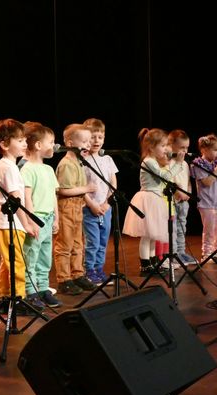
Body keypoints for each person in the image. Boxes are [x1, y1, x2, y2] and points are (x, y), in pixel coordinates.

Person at [0, 119, 39, 313]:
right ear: (4, 144)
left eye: (24, 140)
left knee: (8, 262)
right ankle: (18, 298)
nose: (25, 144)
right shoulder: (8, 167)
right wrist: (27, 223)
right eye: (20, 141)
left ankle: (4, 296)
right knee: (16, 262)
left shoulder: (10, 165)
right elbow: (16, 200)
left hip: (9, 224)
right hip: (7, 223)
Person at [122, 128, 185, 275]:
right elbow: (164, 176)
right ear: (151, 147)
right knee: (147, 236)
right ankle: (145, 265)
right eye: (162, 146)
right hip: (148, 199)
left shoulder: (154, 161)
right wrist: (177, 163)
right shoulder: (149, 161)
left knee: (153, 236)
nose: (165, 149)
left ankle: (153, 262)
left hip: (156, 199)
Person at [20, 121, 62, 308]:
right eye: (51, 142)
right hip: (36, 219)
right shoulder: (27, 169)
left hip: (48, 218)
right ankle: (31, 291)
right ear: (38, 145)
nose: (54, 145)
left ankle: (44, 288)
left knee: (45, 257)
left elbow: (53, 196)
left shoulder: (48, 169)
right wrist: (31, 220)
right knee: (31, 256)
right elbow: (27, 198)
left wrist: (56, 218)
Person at [54, 124, 97, 295]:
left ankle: (78, 274)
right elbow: (63, 190)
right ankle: (64, 279)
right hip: (66, 208)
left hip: (77, 208)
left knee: (78, 244)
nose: (88, 145)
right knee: (64, 245)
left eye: (89, 141)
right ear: (70, 143)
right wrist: (87, 188)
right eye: (84, 141)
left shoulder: (79, 162)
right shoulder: (66, 164)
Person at [82, 118, 118, 285]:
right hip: (89, 208)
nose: (96, 141)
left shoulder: (107, 159)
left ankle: (99, 269)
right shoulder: (82, 160)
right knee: (93, 242)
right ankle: (89, 271)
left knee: (103, 241)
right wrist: (92, 205)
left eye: (100, 137)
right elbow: (81, 187)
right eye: (92, 137)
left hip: (105, 208)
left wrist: (106, 203)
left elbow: (113, 183)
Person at [190, 134, 217, 262]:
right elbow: (207, 182)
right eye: (215, 150)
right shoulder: (198, 164)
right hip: (206, 203)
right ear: (204, 150)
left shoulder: (216, 164)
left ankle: (215, 251)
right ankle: (207, 254)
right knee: (209, 230)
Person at [168, 129, 196, 265]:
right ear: (171, 145)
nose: (185, 151)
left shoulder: (185, 164)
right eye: (182, 147)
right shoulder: (168, 162)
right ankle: (173, 254)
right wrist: (179, 193)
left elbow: (188, 181)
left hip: (184, 202)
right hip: (173, 201)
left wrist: (188, 192)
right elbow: (170, 181)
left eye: (187, 147)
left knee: (182, 228)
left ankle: (181, 252)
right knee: (172, 229)